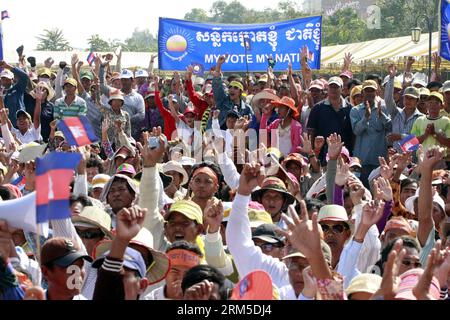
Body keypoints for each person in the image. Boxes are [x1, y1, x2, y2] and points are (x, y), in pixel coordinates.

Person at [350, 80, 392, 188]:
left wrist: (381, 115)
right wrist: (366, 117)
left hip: (379, 159)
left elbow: (390, 127)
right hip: (362, 160)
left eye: (371, 90)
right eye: (366, 90)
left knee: (379, 190)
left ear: (376, 92)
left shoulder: (384, 108)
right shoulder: (355, 110)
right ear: (362, 93)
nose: (369, 93)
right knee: (362, 190)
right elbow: (356, 131)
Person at [307, 76, 354, 165]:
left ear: (341, 88)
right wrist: (313, 153)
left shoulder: (350, 109)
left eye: (336, 87)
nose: (333, 89)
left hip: (344, 156)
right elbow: (311, 132)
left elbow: (353, 135)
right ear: (327, 88)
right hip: (322, 155)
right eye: (331, 87)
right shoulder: (317, 108)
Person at [211, 54, 253, 130]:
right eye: (230, 87)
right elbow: (217, 87)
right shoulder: (222, 101)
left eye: (236, 88)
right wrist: (219, 65)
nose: (232, 89)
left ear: (240, 92)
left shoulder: (247, 109)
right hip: (221, 137)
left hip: (238, 138)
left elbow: (252, 125)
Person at [0, 60, 29, 128]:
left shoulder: (18, 88)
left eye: (8, 79)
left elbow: (25, 77)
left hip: (19, 126)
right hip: (3, 127)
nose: (5, 81)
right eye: (3, 79)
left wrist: (9, 67)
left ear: (12, 80)